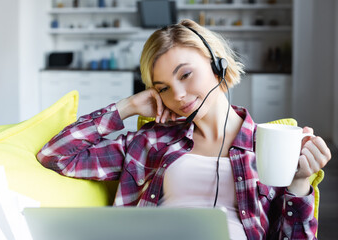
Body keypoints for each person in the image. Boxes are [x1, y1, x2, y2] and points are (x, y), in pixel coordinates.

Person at [37, 19, 331, 239]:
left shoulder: (270, 147)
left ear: (217, 64)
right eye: (162, 88)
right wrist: (125, 108)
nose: (177, 95)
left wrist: (300, 183)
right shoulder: (150, 141)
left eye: (186, 75)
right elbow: (56, 155)